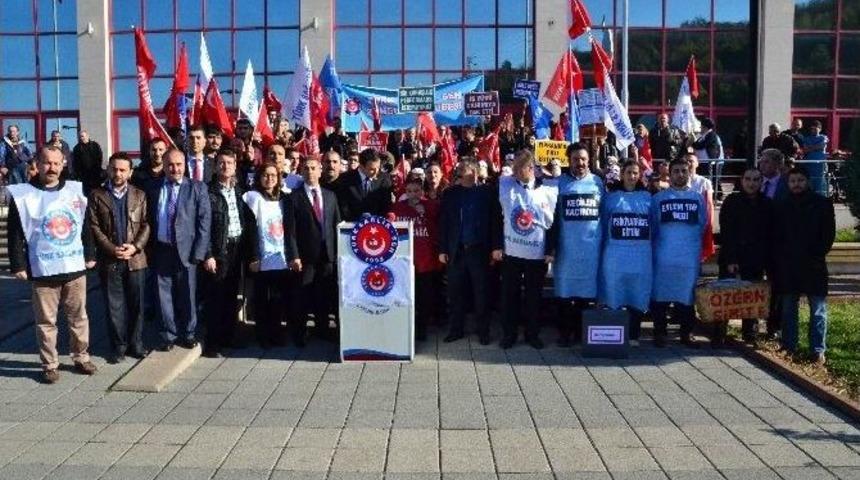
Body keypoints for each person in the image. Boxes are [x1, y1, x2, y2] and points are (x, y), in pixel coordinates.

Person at [7, 146, 97, 383]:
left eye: (57, 163)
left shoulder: (74, 191)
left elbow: (85, 226)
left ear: (64, 163)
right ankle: (50, 364)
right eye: (47, 163)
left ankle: (81, 356)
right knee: (46, 322)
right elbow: (15, 233)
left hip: (74, 267)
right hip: (43, 270)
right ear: (37, 163)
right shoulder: (24, 195)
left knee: (79, 317)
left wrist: (90, 253)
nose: (52, 168)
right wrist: (18, 264)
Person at [86, 152, 151, 363]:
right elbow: (94, 226)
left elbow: (146, 224)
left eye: (123, 170)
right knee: (114, 306)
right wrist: (111, 248)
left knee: (137, 304)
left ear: (130, 172)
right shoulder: (97, 195)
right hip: (110, 260)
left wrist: (135, 247)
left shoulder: (140, 195)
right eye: (114, 169)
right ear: (108, 169)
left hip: (135, 260)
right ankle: (118, 346)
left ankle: (136, 344)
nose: (118, 173)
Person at [146, 148, 211, 351]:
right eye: (170, 165)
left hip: (188, 251)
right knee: (162, 294)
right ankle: (168, 335)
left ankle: (189, 333)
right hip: (161, 249)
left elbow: (204, 221)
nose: (175, 168)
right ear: (164, 166)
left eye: (179, 164)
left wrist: (199, 252)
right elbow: (147, 219)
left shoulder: (197, 188)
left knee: (188, 294)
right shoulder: (153, 187)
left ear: (185, 166)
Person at [773, 167, 835, 364]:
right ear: (788, 183)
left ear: (807, 181)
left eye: (800, 180)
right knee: (788, 308)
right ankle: (789, 345)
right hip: (789, 265)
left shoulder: (822, 204)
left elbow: (828, 235)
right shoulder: (781, 206)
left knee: (817, 309)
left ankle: (817, 350)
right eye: (792, 181)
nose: (796, 184)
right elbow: (777, 237)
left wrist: (816, 254)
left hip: (814, 264)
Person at [497, 151, 558, 349]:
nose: (514, 171)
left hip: (536, 254)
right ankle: (509, 334)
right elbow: (497, 217)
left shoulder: (546, 190)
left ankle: (533, 334)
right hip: (512, 253)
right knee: (509, 296)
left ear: (531, 169)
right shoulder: (506, 186)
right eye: (513, 167)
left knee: (534, 297)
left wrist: (550, 250)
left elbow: (552, 223)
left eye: (519, 167)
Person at [546, 143, 605, 347]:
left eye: (583, 159)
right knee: (564, 294)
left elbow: (605, 215)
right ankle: (564, 333)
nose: (579, 163)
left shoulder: (598, 183)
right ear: (568, 161)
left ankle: (582, 333)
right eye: (575, 159)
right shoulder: (558, 184)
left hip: (591, 249)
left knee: (585, 294)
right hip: (566, 249)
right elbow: (551, 216)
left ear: (588, 160)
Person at [438, 160, 501, 345]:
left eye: (462, 170)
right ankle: (456, 330)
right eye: (458, 170)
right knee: (455, 292)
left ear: (473, 172)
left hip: (479, 251)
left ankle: (483, 331)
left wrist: (496, 247)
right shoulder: (450, 194)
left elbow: (495, 221)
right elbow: (444, 223)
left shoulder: (487, 192)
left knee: (481, 293)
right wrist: (443, 249)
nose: (458, 173)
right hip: (457, 251)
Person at [713, 166, 774, 346]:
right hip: (732, 257)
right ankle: (719, 334)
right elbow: (727, 231)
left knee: (751, 298)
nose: (752, 183)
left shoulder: (767, 203)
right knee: (726, 297)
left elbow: (767, 234)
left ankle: (750, 333)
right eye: (748, 179)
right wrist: (731, 259)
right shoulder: (732, 201)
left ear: (761, 182)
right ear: (742, 181)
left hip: (755, 259)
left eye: (756, 180)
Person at [200, 148, 251, 358]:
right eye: (221, 163)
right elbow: (202, 226)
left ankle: (229, 337)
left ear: (235, 166)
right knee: (215, 297)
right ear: (215, 166)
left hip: (236, 247)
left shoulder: (239, 191)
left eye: (229, 163)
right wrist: (208, 254)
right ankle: (213, 343)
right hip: (219, 250)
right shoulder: (208, 192)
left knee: (231, 295)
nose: (225, 166)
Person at [651, 158, 706, 347]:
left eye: (684, 170)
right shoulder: (658, 199)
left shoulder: (697, 198)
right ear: (670, 173)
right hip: (664, 255)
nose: (680, 174)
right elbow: (653, 226)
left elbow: (702, 224)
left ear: (689, 172)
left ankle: (686, 333)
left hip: (688, 257)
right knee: (660, 296)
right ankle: (659, 333)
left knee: (686, 296)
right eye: (676, 171)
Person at [244, 162, 300, 348]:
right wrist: (253, 257)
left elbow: (291, 229)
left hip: (282, 256)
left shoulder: (285, 198)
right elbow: (250, 231)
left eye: (273, 176)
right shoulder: (252, 198)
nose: (269, 179)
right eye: (265, 175)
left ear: (278, 178)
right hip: (261, 257)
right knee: (262, 299)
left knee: (278, 299)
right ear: (259, 177)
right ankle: (263, 336)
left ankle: (277, 334)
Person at [287, 156, 341, 345]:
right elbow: (290, 230)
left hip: (327, 255)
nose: (310, 171)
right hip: (305, 256)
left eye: (313, 168)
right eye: (306, 168)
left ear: (320, 171)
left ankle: (323, 330)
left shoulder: (330, 195)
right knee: (302, 296)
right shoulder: (294, 197)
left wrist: (337, 253)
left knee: (324, 294)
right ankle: (299, 333)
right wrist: (294, 255)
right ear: (301, 172)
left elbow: (336, 225)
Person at [598, 160, 652, 345]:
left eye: (635, 173)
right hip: (615, 257)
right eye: (628, 172)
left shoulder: (647, 198)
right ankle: (615, 336)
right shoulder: (611, 198)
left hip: (640, 257)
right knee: (614, 293)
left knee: (637, 294)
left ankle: (634, 334)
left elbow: (654, 226)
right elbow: (604, 225)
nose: (632, 176)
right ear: (622, 174)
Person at [390, 177, 442, 342]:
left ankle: (422, 328)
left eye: (417, 191)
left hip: (426, 260)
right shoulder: (398, 208)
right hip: (405, 262)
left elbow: (439, 228)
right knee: (407, 295)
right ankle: (407, 326)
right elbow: (390, 219)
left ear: (423, 191)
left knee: (424, 297)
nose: (413, 195)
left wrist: (423, 213)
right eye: (410, 191)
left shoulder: (432, 206)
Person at [334, 148, 394, 221]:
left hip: (378, 227)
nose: (376, 172)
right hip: (353, 227)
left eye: (378, 168)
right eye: (372, 169)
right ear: (361, 166)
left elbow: (386, 206)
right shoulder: (345, 180)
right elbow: (343, 208)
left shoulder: (385, 179)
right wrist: (358, 220)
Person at [802, 120, 828, 197]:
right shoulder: (807, 138)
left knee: (820, 183)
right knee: (809, 182)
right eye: (812, 129)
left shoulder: (823, 137)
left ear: (820, 129)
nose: (813, 130)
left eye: (815, 129)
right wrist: (815, 147)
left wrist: (811, 147)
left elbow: (821, 146)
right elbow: (805, 149)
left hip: (820, 164)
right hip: (809, 164)